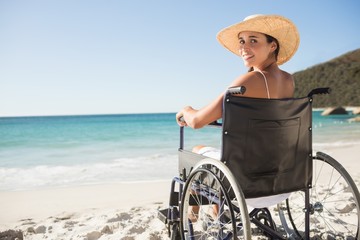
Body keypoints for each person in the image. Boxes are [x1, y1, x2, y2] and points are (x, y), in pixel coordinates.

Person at [175, 14, 300, 220]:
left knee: (197, 150)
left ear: (272, 46)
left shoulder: (249, 80)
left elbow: (197, 121)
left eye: (253, 40)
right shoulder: (288, 80)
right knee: (220, 156)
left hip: (248, 185)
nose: (244, 47)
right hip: (284, 181)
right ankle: (216, 213)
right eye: (241, 41)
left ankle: (193, 214)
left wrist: (186, 110)